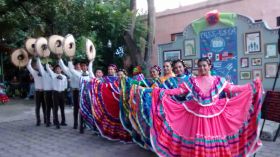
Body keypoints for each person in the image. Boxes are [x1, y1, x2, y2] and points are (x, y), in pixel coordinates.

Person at [150, 57, 263, 157]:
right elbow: (179, 91)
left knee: (215, 140)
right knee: (198, 141)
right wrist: (163, 91)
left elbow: (232, 89)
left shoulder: (218, 80)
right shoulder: (192, 81)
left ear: (209, 67)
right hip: (196, 114)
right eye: (199, 66)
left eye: (204, 65)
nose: (202, 68)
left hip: (215, 116)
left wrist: (250, 86)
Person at [59, 58, 81, 130]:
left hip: (82, 92)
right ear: (74, 66)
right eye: (76, 65)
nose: (78, 66)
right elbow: (63, 67)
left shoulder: (85, 72)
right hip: (74, 92)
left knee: (82, 109)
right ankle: (75, 123)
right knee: (76, 109)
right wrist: (60, 59)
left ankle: (82, 124)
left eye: (79, 65)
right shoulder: (71, 72)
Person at [46, 64, 67, 129]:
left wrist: (63, 91)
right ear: (55, 70)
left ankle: (63, 121)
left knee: (62, 108)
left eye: (59, 68)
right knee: (56, 108)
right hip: (55, 93)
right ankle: (57, 122)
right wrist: (46, 61)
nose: (58, 70)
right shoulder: (53, 75)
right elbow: (48, 69)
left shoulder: (64, 77)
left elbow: (65, 85)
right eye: (57, 69)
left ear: (61, 69)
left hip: (62, 93)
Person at [27, 59, 46, 126]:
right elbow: (28, 66)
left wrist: (38, 58)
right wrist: (30, 58)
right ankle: (38, 120)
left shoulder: (45, 73)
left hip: (44, 92)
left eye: (39, 65)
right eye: (37, 65)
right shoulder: (34, 73)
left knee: (45, 107)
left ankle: (46, 120)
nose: (38, 66)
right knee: (37, 107)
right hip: (37, 92)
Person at [37, 58, 54, 127]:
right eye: (48, 66)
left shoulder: (54, 74)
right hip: (47, 93)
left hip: (53, 93)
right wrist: (38, 58)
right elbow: (40, 65)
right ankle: (48, 121)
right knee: (48, 108)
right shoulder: (44, 73)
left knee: (54, 108)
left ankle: (55, 121)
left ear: (52, 68)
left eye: (50, 66)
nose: (49, 67)